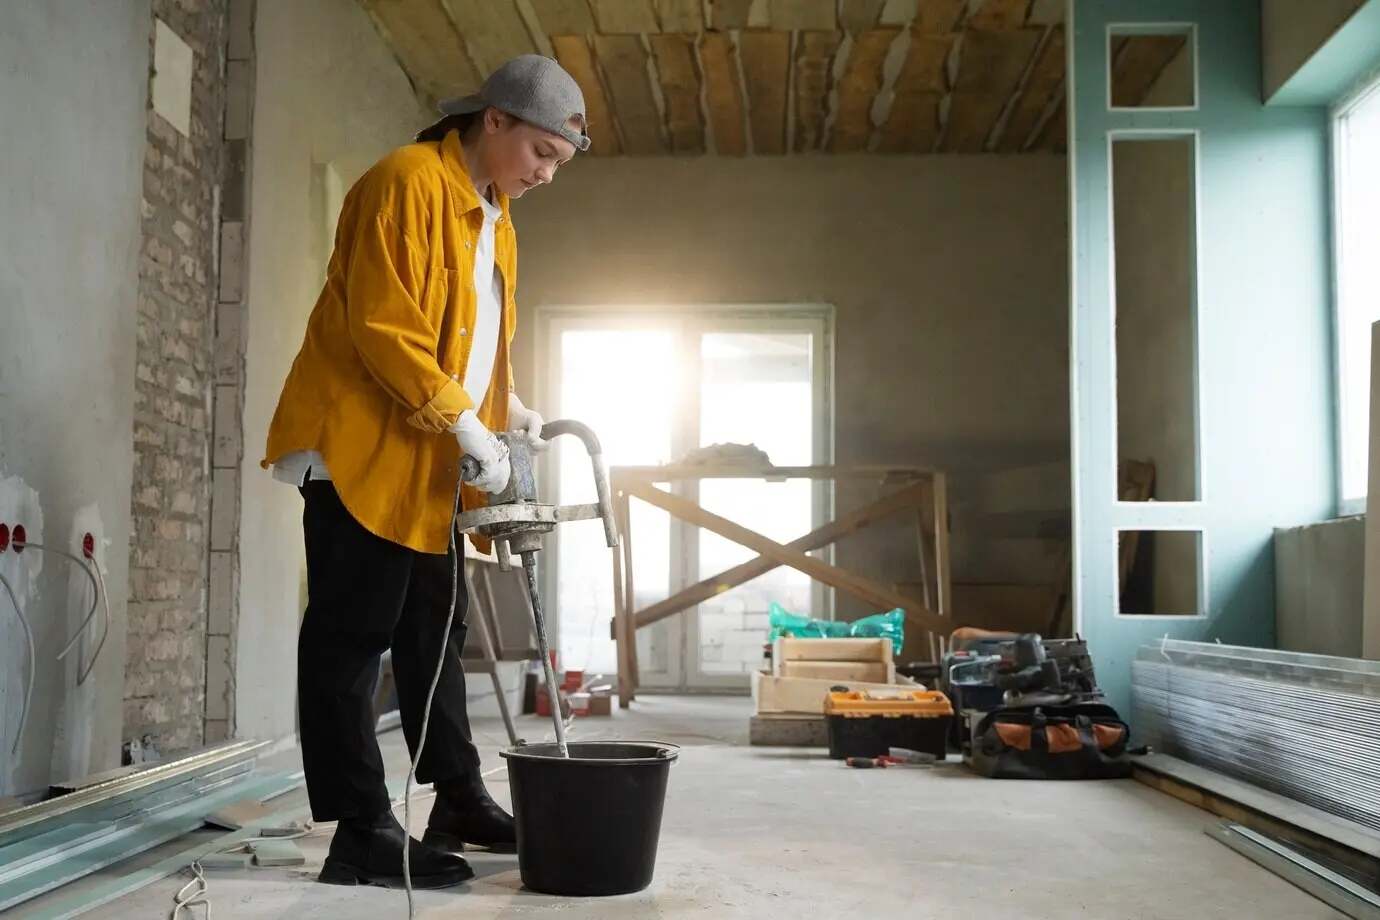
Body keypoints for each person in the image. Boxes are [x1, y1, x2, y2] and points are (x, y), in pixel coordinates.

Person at [260, 55, 590, 890]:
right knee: (352, 636)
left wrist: (504, 411)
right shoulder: (405, 181)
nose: (546, 174)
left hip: (430, 454)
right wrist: (465, 421)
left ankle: (456, 796)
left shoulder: (497, 214)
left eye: (559, 161)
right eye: (543, 152)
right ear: (495, 121)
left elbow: (473, 339)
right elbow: (383, 328)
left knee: (434, 632)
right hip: (362, 450)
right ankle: (359, 832)